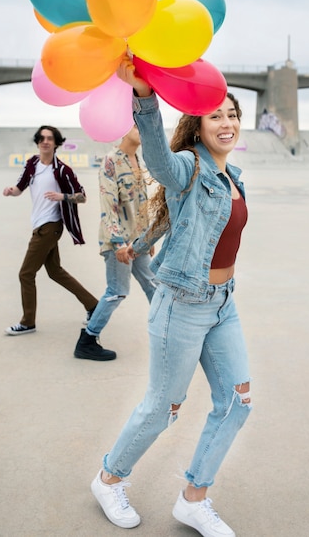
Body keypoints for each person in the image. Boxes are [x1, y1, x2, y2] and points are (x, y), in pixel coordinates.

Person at [90, 56, 252, 537]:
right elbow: (157, 160)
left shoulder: (233, 175)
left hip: (223, 303)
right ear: (198, 125)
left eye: (232, 114)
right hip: (182, 305)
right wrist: (144, 96)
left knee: (237, 402)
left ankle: (193, 499)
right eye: (216, 115)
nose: (226, 123)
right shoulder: (187, 167)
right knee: (163, 407)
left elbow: (174, 225)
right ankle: (108, 479)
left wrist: (136, 245)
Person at [3, 125, 102, 347]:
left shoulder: (62, 170)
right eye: (41, 138)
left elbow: (82, 197)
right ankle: (94, 305)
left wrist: (62, 196)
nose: (45, 141)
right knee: (55, 271)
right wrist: (12, 191)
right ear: (37, 142)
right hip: (38, 224)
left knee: (25, 274)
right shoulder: (32, 164)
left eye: (50, 139)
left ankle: (27, 322)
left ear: (56, 143)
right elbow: (20, 187)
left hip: (49, 227)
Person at [74, 124, 156, 361]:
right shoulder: (111, 160)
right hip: (118, 241)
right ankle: (88, 339)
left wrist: (148, 236)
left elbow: (142, 202)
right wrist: (119, 242)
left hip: (137, 240)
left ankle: (167, 331)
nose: (142, 128)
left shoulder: (137, 159)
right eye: (136, 124)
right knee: (117, 291)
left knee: (154, 285)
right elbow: (108, 204)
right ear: (123, 127)